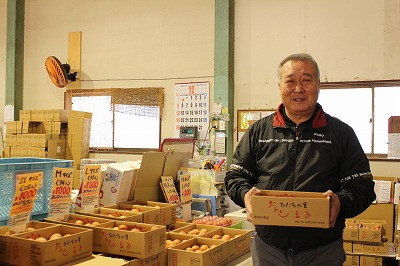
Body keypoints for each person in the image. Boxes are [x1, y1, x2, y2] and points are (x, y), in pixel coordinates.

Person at [225, 53, 376, 266]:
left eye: (306, 80)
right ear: (279, 86)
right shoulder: (258, 131)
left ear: (318, 85)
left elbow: (363, 187)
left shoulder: (341, 134)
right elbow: (235, 176)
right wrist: (245, 195)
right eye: (290, 81)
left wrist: (340, 202)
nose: (298, 88)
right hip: (269, 249)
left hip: (323, 250)